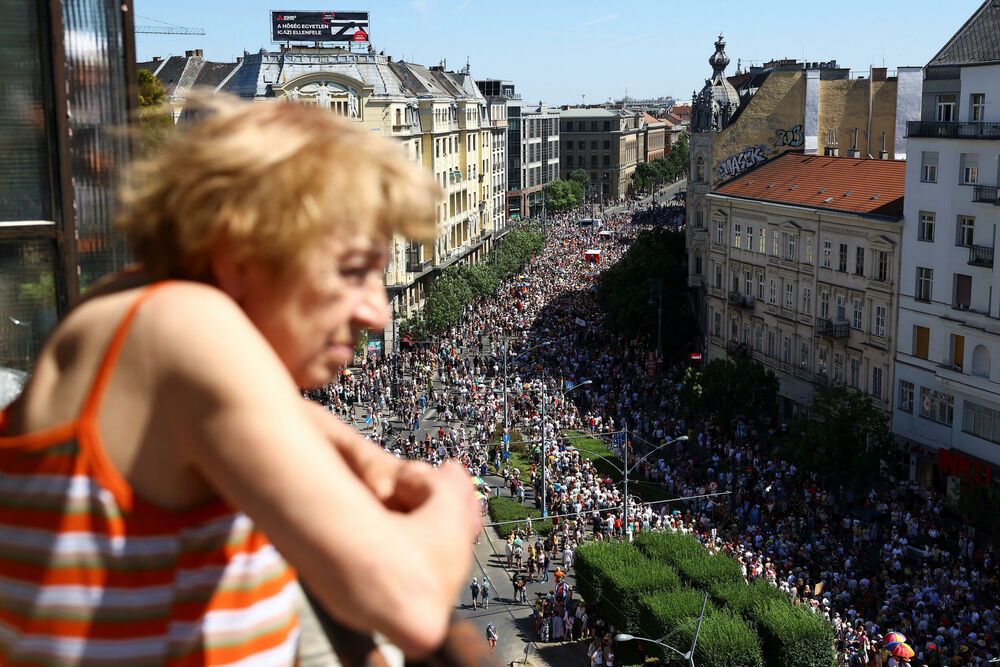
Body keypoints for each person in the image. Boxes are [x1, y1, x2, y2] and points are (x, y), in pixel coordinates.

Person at [0, 98, 481, 664]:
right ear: (239, 253)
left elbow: (290, 420)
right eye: (353, 270)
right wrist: (454, 502)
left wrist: (375, 464)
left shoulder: (140, 309)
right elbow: (412, 604)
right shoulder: (186, 326)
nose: (378, 312)